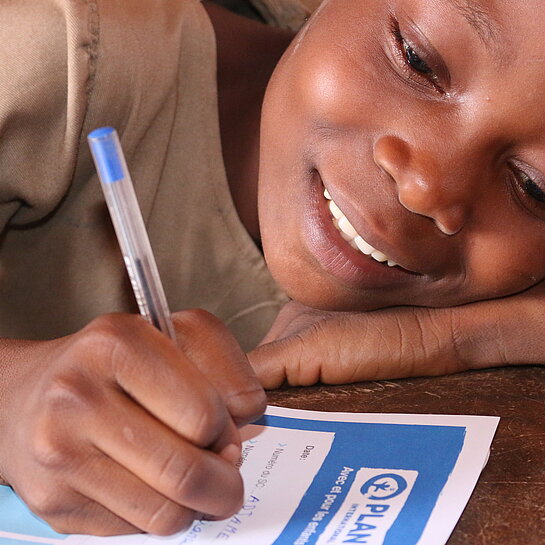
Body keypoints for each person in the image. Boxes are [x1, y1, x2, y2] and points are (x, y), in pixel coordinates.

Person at [0, 0, 544, 536]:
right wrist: (10, 399)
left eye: (532, 186)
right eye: (416, 59)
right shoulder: (48, 60)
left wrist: (451, 336)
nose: (425, 187)